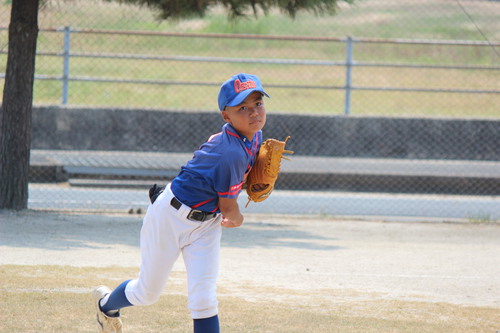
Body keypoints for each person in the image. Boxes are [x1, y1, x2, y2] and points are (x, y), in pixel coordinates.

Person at [93, 73, 269, 333]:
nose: (253, 112)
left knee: (204, 298)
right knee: (146, 293)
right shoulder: (230, 152)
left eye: (258, 103)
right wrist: (240, 217)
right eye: (242, 107)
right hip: (170, 218)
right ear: (226, 116)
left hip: (206, 224)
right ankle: (106, 305)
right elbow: (229, 210)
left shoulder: (255, 136)